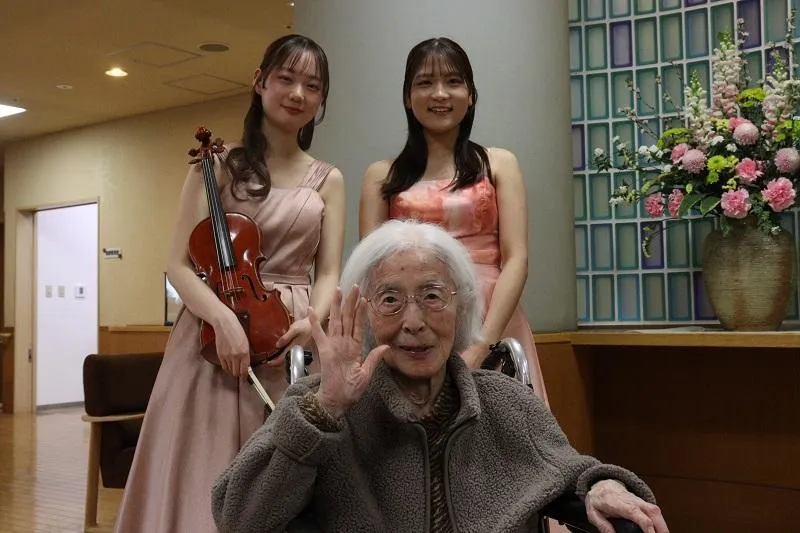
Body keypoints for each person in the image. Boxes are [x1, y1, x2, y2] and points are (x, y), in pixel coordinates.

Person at [211, 220, 669, 533]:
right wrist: (326, 410)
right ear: (363, 314)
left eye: (432, 296)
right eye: (390, 300)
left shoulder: (504, 403)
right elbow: (238, 518)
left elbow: (570, 470)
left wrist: (602, 487)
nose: (414, 322)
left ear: (461, 306)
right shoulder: (319, 404)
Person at [114, 34, 345, 533]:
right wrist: (222, 319)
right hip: (213, 336)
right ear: (259, 82)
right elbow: (178, 265)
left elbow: (328, 271)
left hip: (292, 338)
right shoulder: (218, 164)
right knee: (204, 471)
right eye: (286, 78)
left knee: (285, 481)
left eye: (312, 85)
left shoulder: (329, 179)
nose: (298, 93)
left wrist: (313, 322)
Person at [359, 37, 548, 402]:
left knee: (504, 424)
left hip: (493, 318)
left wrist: (482, 344)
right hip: (412, 321)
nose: (440, 94)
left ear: (471, 95)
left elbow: (517, 259)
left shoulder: (499, 164)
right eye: (425, 83)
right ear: (407, 97)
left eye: (453, 82)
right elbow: (373, 274)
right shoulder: (381, 176)